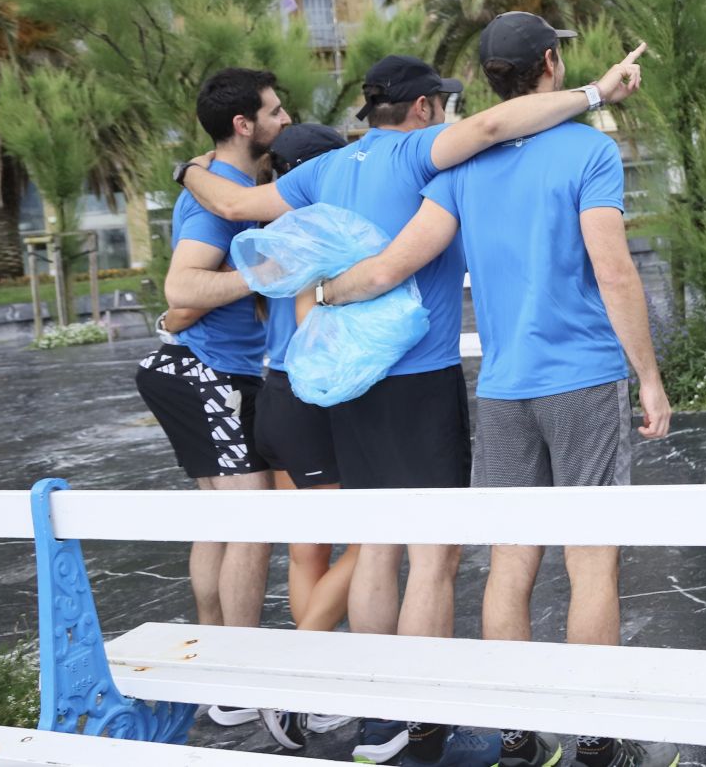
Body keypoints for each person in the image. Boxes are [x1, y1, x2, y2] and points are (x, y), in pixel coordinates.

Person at [176, 43, 647, 767]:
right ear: (424, 108)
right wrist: (593, 94)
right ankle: (430, 721)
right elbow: (493, 131)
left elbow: (236, 205)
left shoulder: (329, 166)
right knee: (435, 556)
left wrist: (190, 172)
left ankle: (389, 711)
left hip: (352, 386)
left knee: (377, 545)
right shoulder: (429, 155)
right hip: (426, 376)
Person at [313, 11, 676, 767]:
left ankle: (516, 731)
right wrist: (648, 376)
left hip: (504, 390)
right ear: (551, 64)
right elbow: (614, 272)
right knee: (591, 559)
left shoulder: (459, 171)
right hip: (582, 380)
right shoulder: (589, 151)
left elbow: (389, 267)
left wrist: (318, 297)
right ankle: (598, 739)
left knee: (509, 563)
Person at [134, 68, 290, 731]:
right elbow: (185, 289)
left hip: (207, 369)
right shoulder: (213, 196)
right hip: (208, 373)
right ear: (242, 125)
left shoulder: (226, 182)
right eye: (275, 111)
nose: (283, 120)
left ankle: (214, 663)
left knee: (223, 519)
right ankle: (235, 681)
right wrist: (262, 271)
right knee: (251, 522)